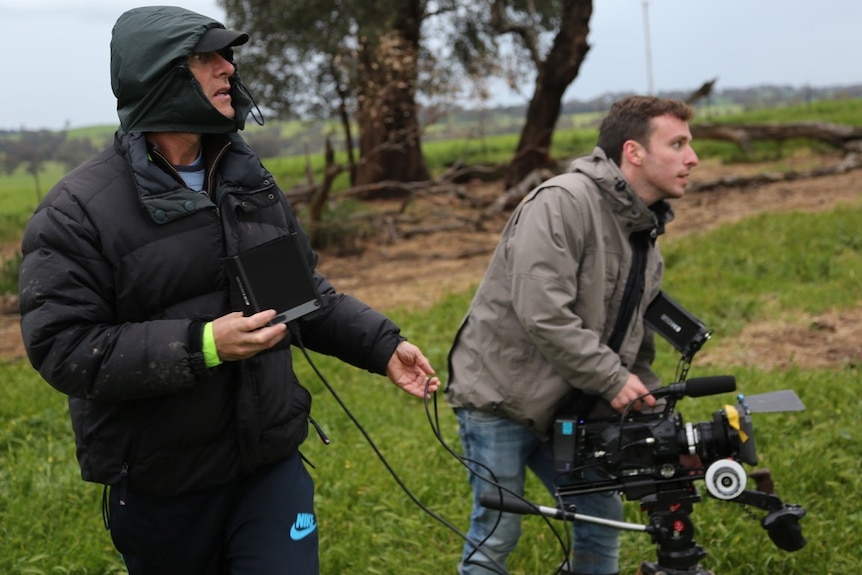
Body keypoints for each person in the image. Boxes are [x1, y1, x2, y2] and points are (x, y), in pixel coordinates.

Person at [18, 6, 440, 575]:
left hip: (270, 465)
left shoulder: (249, 179)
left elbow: (298, 292)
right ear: (157, 75)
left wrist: (381, 345)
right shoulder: (76, 211)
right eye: (206, 58)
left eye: (227, 55)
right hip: (164, 486)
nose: (228, 69)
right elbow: (63, 347)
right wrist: (203, 344)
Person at [445, 95, 700, 575]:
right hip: (499, 398)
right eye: (678, 143)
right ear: (634, 152)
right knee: (499, 530)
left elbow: (633, 342)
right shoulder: (563, 202)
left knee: (601, 521)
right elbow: (543, 312)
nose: (693, 158)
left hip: (573, 406)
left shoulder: (643, 234)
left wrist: (649, 411)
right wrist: (612, 381)